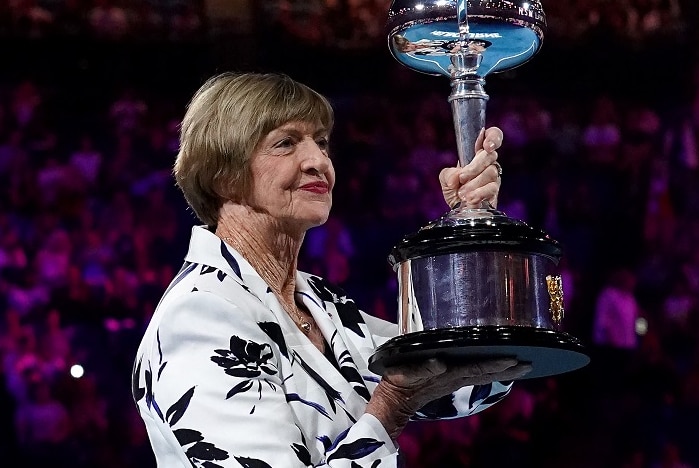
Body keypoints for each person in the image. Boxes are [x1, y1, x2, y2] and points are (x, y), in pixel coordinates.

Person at [131, 72, 530, 467]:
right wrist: (391, 408)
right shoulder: (201, 315)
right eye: (286, 143)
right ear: (223, 175)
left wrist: (472, 219)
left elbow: (470, 378)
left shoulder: (319, 304)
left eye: (321, 143)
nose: (318, 161)